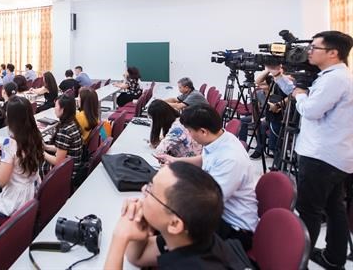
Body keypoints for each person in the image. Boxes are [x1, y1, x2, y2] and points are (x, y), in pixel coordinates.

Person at [104, 162, 250, 269]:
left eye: (151, 190)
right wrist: (140, 226)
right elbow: (137, 258)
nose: (143, 190)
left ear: (174, 224)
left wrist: (119, 238)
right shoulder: (190, 239)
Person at [290, 30, 353, 270]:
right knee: (334, 207)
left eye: (314, 47)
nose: (309, 51)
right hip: (335, 155)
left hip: (320, 157)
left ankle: (299, 261)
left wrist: (300, 95)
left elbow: (312, 111)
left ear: (333, 53)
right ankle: (334, 257)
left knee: (309, 210)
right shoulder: (337, 76)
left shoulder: (334, 79)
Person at [156, 105, 258, 251]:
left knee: (167, 225)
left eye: (190, 131)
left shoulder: (230, 159)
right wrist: (173, 160)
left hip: (234, 229)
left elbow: (207, 205)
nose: (190, 135)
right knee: (165, 223)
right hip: (219, 213)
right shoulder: (221, 138)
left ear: (203, 131)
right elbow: (204, 159)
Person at [0, 96, 44, 216]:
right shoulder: (35, 135)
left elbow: (1, 181)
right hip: (33, 190)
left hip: (16, 200)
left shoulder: (10, 144)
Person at [41, 94, 83, 183]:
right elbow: (63, 148)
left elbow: (58, 161)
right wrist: (46, 147)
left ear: (63, 109)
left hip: (66, 172)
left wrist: (41, 153)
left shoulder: (64, 130)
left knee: (34, 164)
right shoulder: (73, 123)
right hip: (73, 166)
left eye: (56, 106)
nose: (54, 109)